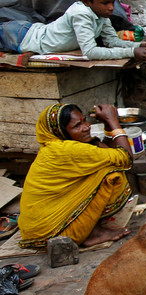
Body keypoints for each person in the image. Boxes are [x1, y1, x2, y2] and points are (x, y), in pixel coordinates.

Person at [18, 103, 135, 249]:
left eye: (85, 120)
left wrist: (106, 124)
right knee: (112, 174)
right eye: (76, 126)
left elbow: (105, 151)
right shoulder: (67, 150)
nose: (86, 127)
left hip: (35, 231)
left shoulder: (55, 146)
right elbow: (126, 158)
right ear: (61, 132)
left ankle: (89, 229)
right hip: (52, 235)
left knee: (104, 166)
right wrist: (113, 122)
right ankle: (92, 234)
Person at [0, 0, 146, 62]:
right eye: (105, 3)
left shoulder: (101, 14)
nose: (111, 8)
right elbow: (90, 52)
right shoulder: (81, 13)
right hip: (20, 36)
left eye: (112, 2)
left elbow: (111, 41)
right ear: (86, 1)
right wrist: (132, 51)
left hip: (27, 31)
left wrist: (140, 45)